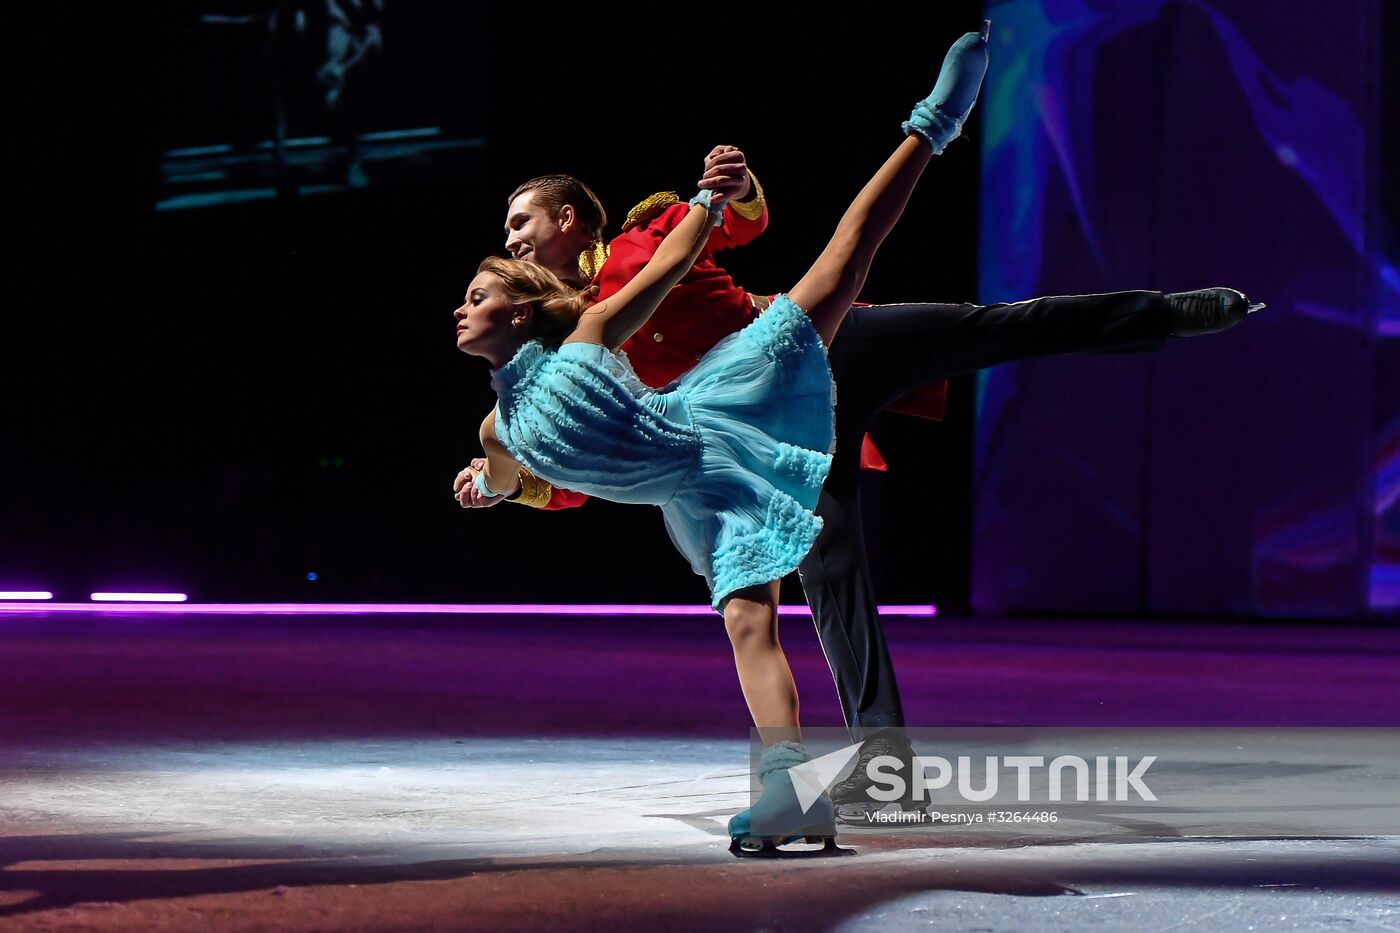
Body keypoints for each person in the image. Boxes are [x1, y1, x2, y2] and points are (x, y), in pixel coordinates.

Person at [456, 31, 1259, 824]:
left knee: (984, 326)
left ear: (567, 219)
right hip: (757, 447)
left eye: (521, 220)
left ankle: (1165, 312)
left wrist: (729, 186)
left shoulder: (641, 238)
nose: (512, 236)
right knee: (834, 580)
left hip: (812, 345)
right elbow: (593, 465)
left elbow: (743, 224)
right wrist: (505, 483)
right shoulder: (566, 354)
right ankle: (885, 770)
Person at [454, 29, 995, 854]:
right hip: (697, 495)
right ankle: (792, 797)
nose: (460, 307)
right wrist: (487, 489)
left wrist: (709, 201)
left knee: (842, 269)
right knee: (751, 627)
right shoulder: (499, 425)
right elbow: (515, 480)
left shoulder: (593, 330)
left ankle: (932, 122)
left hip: (723, 407)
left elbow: (670, 264)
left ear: (521, 312)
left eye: (477, 293)